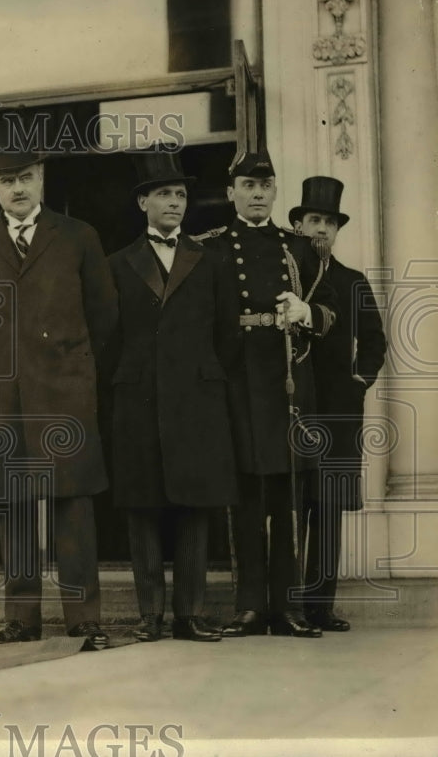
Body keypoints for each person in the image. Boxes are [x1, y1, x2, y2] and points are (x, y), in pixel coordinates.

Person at [0, 124, 117, 650]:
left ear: (41, 177)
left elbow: (105, 316)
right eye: (5, 181)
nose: (16, 188)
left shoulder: (78, 236)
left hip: (64, 391)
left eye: (24, 177)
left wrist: (74, 368)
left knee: (72, 507)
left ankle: (83, 617)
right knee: (13, 506)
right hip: (3, 394)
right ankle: (21, 618)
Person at [108, 150, 240, 643]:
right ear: (143, 201)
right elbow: (108, 338)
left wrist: (201, 378)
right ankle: (149, 616)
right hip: (138, 400)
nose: (174, 202)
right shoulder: (116, 264)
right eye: (163, 193)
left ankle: (190, 614)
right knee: (141, 508)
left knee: (194, 505)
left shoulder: (211, 261)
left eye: (180, 194)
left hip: (196, 401)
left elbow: (227, 336)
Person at [210, 151, 337, 639]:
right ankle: (248, 607)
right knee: (244, 495)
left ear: (276, 192)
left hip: (288, 380)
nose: (258, 193)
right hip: (238, 382)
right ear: (231, 193)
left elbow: (329, 311)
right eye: (248, 185)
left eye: (265, 185)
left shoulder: (301, 249)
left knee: (286, 494)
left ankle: (287, 607)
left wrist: (305, 312)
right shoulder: (212, 248)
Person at [289, 176, 387, 632]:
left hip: (335, 412)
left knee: (326, 510)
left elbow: (374, 342)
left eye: (329, 222)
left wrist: (357, 383)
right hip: (290, 408)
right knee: (286, 506)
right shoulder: (279, 279)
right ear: (297, 224)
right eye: (313, 220)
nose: (321, 230)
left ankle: (319, 606)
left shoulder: (352, 282)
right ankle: (283, 605)